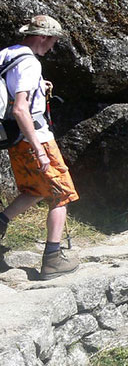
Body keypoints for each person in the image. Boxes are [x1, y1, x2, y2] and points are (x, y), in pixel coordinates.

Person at [0, 15, 80, 279]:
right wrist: (40, 150)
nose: (53, 46)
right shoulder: (30, 63)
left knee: (35, 189)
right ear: (43, 37)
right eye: (53, 41)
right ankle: (52, 260)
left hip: (14, 138)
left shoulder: (8, 54)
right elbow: (20, 109)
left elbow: (12, 92)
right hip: (36, 137)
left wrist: (38, 86)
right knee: (62, 194)